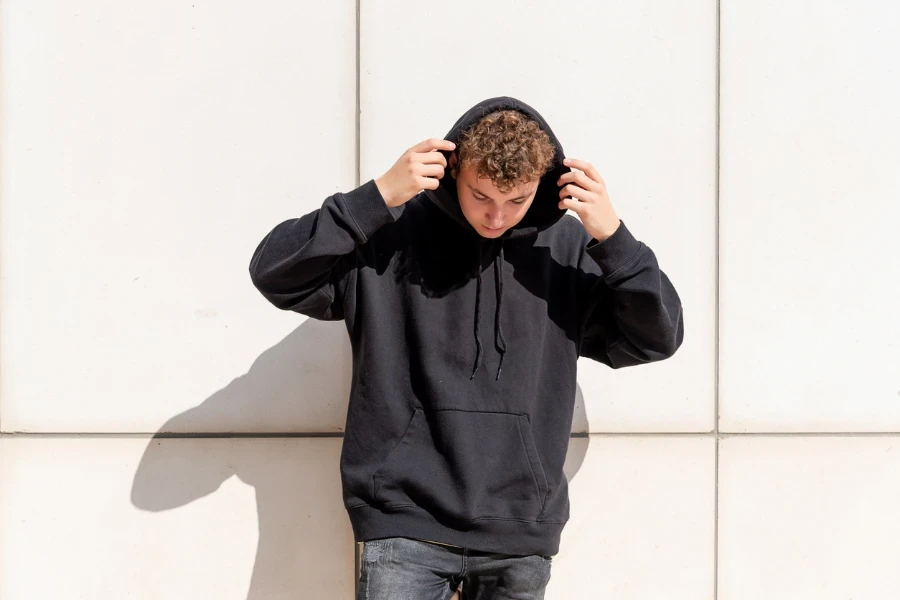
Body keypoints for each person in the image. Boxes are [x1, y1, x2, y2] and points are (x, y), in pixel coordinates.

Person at [249, 96, 684, 599]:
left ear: (542, 185)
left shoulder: (564, 250)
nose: (496, 217)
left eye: (516, 201)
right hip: (404, 521)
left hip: (519, 528)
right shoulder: (392, 236)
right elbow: (274, 273)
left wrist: (614, 239)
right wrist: (377, 197)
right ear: (453, 169)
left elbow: (658, 337)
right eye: (481, 196)